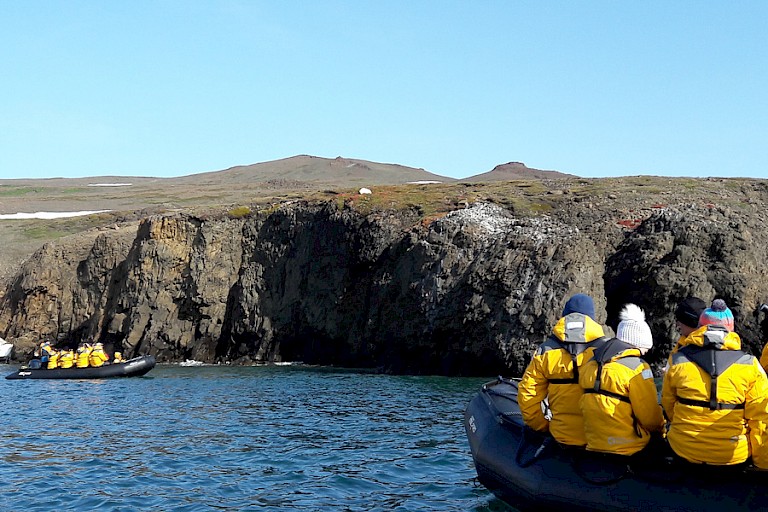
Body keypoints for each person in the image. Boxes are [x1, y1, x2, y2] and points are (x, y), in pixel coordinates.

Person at [662, 299, 768, 468]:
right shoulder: (751, 365)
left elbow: (668, 404)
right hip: (732, 457)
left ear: (701, 327)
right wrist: (762, 464)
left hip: (684, 450)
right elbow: (760, 418)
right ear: (731, 328)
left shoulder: (677, 360)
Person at [519, 293, 608, 447]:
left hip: (562, 437)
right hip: (600, 440)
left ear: (565, 316)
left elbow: (528, 395)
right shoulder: (607, 351)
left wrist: (542, 426)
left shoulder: (545, 351)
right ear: (592, 318)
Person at [579, 304, 665, 456]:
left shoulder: (590, 363)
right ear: (636, 343)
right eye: (644, 348)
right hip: (628, 446)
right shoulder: (637, 368)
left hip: (594, 442)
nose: (644, 352)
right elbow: (650, 417)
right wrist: (663, 430)